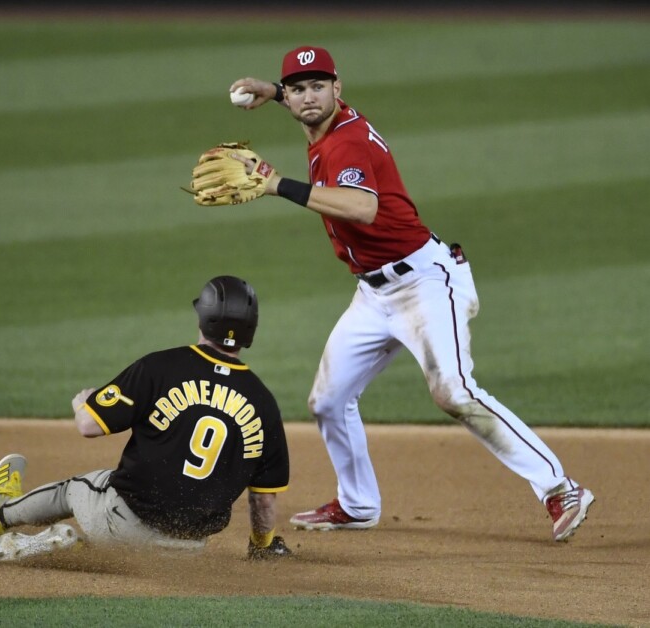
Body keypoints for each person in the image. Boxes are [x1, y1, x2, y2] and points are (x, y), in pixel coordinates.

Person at [228, 46, 594, 541]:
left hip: (425, 282)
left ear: (339, 89)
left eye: (319, 86)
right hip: (374, 294)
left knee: (453, 392)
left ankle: (560, 488)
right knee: (328, 400)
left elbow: (360, 209)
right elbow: (306, 107)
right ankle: (357, 505)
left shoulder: (347, 143)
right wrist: (272, 92)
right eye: (298, 88)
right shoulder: (327, 123)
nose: (308, 97)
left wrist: (275, 184)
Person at [0, 275, 293, 561]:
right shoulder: (264, 402)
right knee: (140, 530)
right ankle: (82, 553)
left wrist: (82, 404)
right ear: (250, 329)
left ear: (203, 318)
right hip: (186, 551)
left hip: (121, 522)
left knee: (76, 488)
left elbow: (89, 426)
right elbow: (264, 502)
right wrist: (262, 546)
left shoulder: (162, 367)